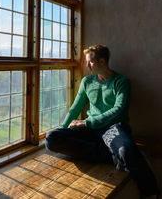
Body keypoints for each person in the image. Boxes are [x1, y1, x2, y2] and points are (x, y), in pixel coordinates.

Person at [46, 45, 160, 199]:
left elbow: (118, 111)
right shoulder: (87, 82)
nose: (86, 65)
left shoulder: (121, 82)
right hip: (90, 130)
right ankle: (110, 155)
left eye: (89, 62)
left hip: (112, 128)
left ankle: (151, 193)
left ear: (101, 61)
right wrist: (63, 129)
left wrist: (86, 122)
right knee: (51, 138)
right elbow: (75, 108)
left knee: (126, 150)